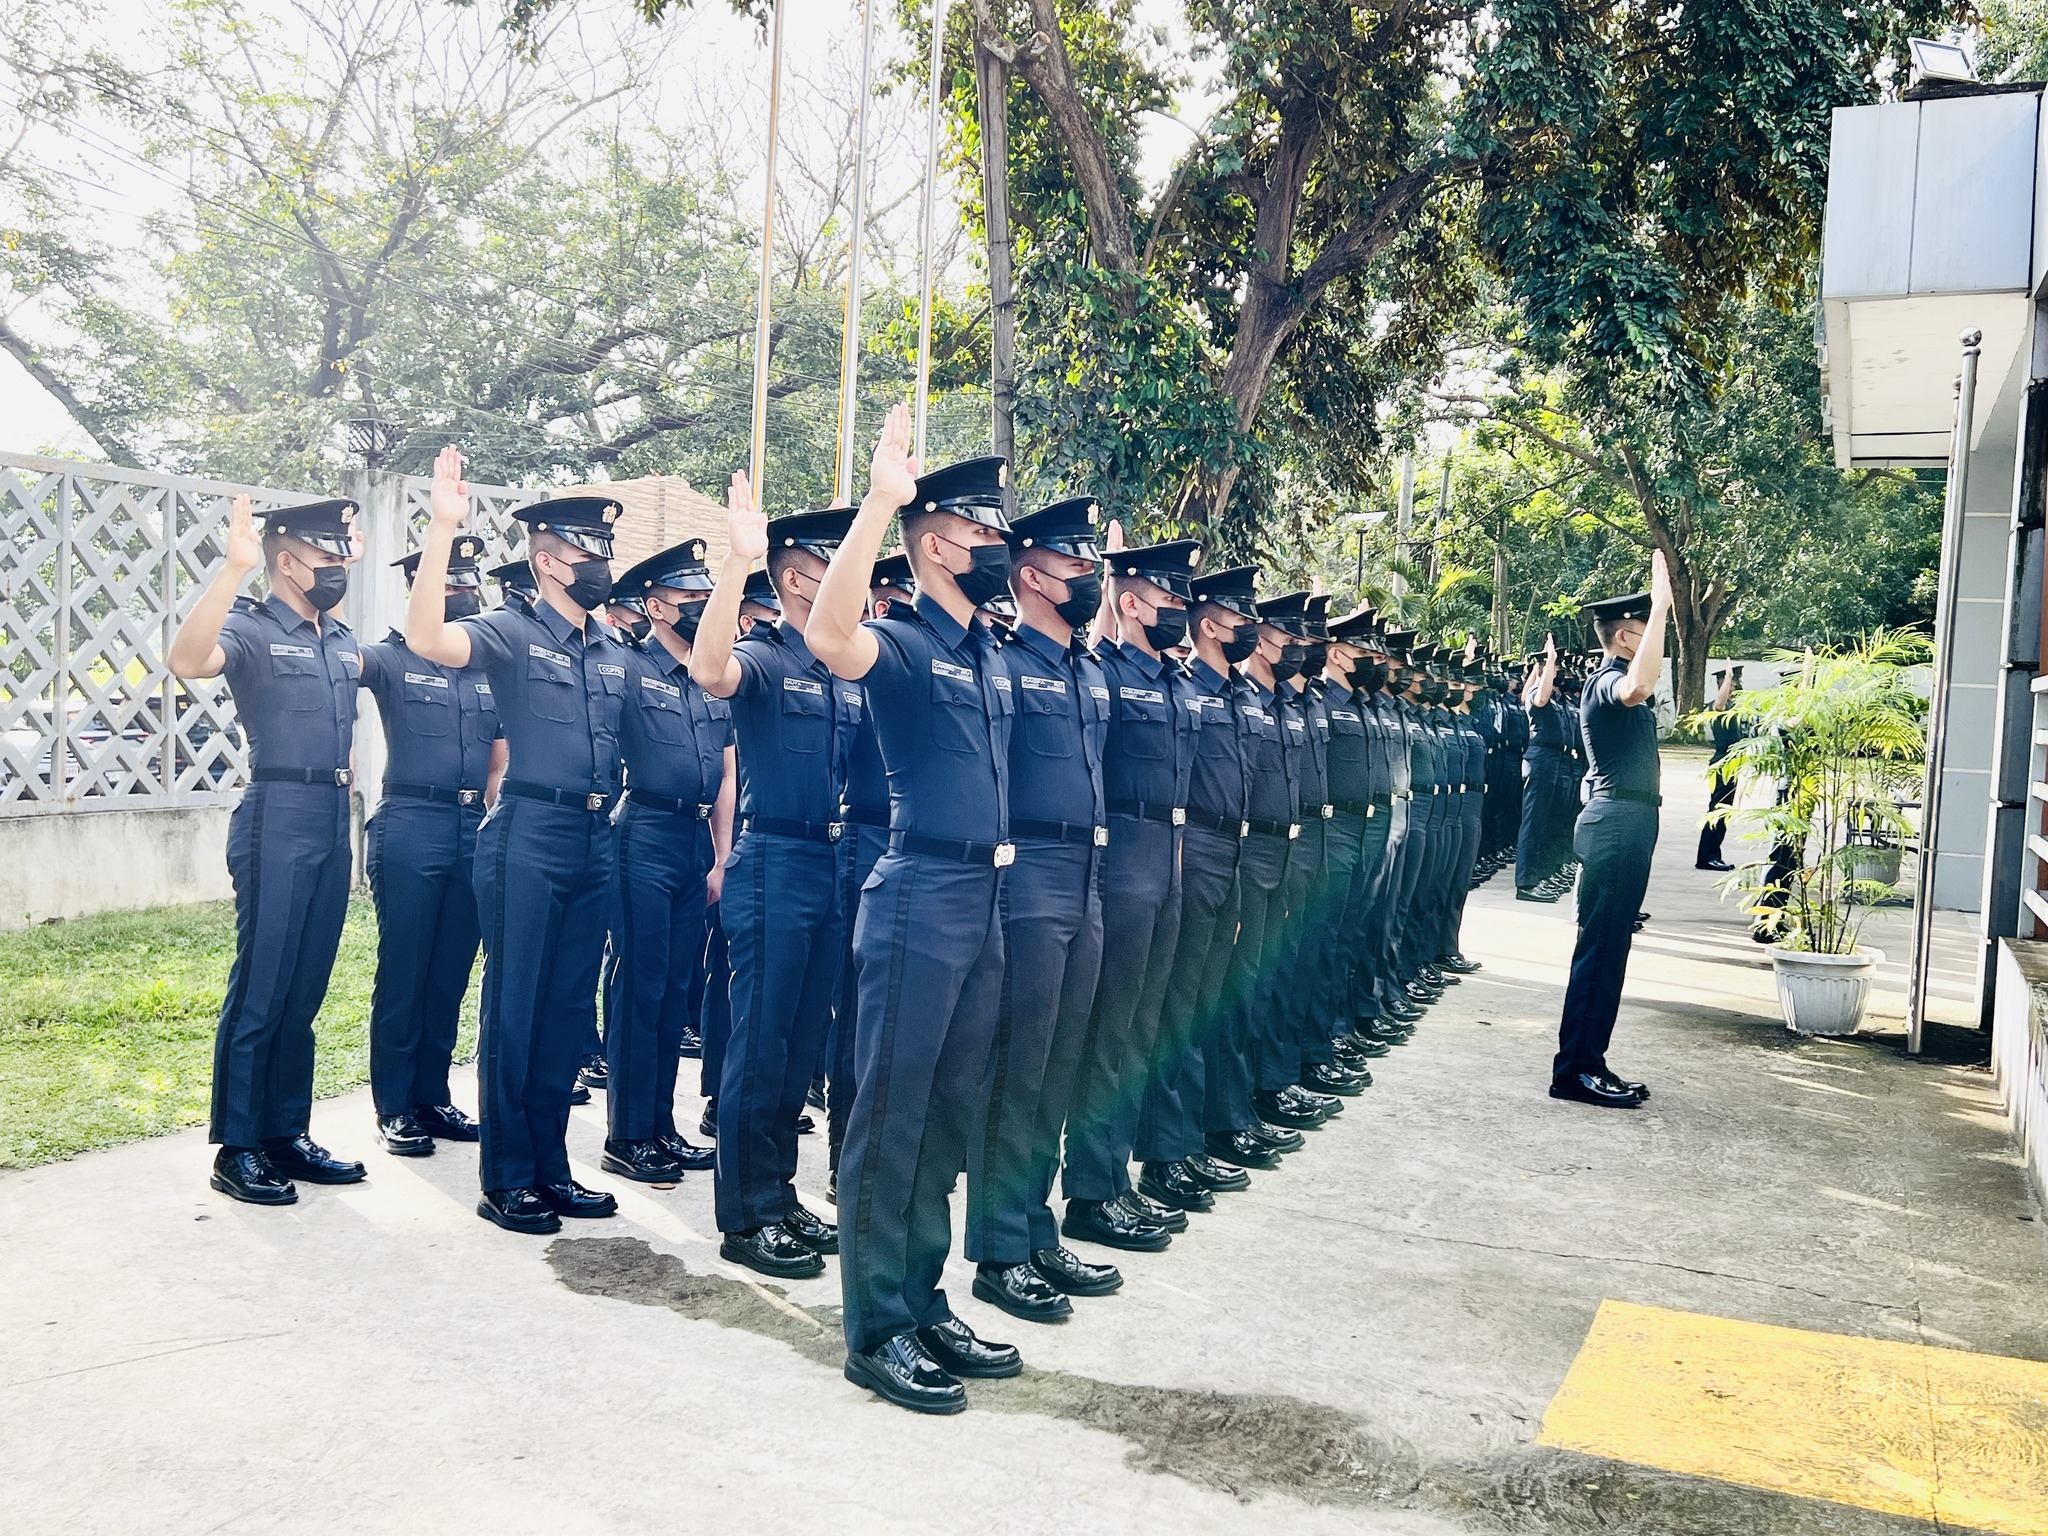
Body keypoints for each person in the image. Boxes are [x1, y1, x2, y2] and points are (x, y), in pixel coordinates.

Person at [808, 414, 1029, 1414]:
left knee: (947, 1118)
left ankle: (923, 1299)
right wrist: (877, 504)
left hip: (983, 898)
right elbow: (825, 631)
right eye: (985, 533)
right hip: (916, 901)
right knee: (891, 1123)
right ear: (937, 540)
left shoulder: (986, 648)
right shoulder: (899, 643)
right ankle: (875, 1329)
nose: (1001, 551)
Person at [405, 447, 630, 1234]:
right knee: (517, 1005)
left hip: (594, 836)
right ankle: (506, 1177)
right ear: (546, 561)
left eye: (606, 553)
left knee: (568, 1010)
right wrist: (442, 531)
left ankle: (551, 1166)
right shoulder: (506, 630)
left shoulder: (611, 651)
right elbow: (429, 636)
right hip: (527, 832)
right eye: (586, 552)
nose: (601, 564)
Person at [168, 493, 368, 1205]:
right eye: (327, 554)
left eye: (345, 553)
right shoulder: (251, 629)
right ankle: (239, 1146)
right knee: (263, 984)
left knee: (305, 988)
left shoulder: (342, 640)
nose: (340, 565)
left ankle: (286, 1133)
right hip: (276, 812)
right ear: (286, 561)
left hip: (330, 815)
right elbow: (187, 659)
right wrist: (232, 569)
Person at [965, 497, 1129, 1324]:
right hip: (1027, 875)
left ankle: (1035, 1226)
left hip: (1087, 875)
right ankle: (999, 1250)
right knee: (1017, 1069)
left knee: (1061, 1062)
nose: (1090, 578)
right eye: (1076, 565)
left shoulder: (1089, 668)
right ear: (1030, 576)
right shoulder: (1002, 661)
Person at [691, 494, 857, 1279]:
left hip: (832, 865)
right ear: (795, 579)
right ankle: (745, 1215)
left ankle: (781, 1196)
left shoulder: (845, 662)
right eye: (833, 560)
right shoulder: (765, 655)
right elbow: (706, 669)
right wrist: (736, 562)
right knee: (758, 1044)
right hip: (774, 865)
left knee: (799, 1051)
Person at [1064, 535, 1206, 1219]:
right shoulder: (1108, 674)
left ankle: (1122, 1175)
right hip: (1120, 859)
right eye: (1167, 598)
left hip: (1167, 856)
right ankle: (1093, 1189)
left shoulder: (1178, 681)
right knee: (1109, 1032)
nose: (1178, 608)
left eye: (1182, 598)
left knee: (1145, 1027)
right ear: (1129, 603)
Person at [356, 534, 505, 1158]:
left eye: (468, 584)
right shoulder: (390, 660)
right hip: (412, 825)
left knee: (450, 972)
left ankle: (433, 1094)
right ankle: (395, 1105)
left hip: (472, 830)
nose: (461, 594)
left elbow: (500, 757)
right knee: (406, 969)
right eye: (448, 585)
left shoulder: (488, 666)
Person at [600, 539, 733, 1183]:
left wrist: (721, 855)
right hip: (643, 833)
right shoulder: (627, 670)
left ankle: (662, 1126)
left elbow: (727, 768)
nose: (702, 607)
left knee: (678, 989)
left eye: (706, 597)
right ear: (654, 606)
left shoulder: (712, 677)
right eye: (689, 598)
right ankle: (628, 1133)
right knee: (640, 986)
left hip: (693, 842)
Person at [1136, 563, 1263, 1191]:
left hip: (1235, 853)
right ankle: (1165, 1151)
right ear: (1209, 624)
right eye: (1241, 618)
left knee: (1207, 1002)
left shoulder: (1241, 694)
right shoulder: (1186, 690)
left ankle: (1189, 1138)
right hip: (1196, 849)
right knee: (1176, 1009)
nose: (1252, 629)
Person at [1551, 553, 1672, 1109]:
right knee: (1600, 951)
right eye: (1647, 631)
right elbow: (1640, 685)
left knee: (1609, 949)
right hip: (1617, 822)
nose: (1656, 640)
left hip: (1628, 821)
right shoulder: (1607, 681)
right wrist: (1663, 604)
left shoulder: (1614, 677)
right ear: (1626, 637)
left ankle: (1588, 1061)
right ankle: (1574, 1070)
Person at [1697, 667, 1742, 872]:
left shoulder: (1735, 705)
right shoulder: (1717, 705)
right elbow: (1719, 705)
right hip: (1722, 761)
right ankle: (1707, 857)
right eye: (1732, 683)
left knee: (1723, 812)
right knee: (1717, 810)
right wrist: (1728, 677)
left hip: (1733, 763)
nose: (1735, 685)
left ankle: (1714, 854)